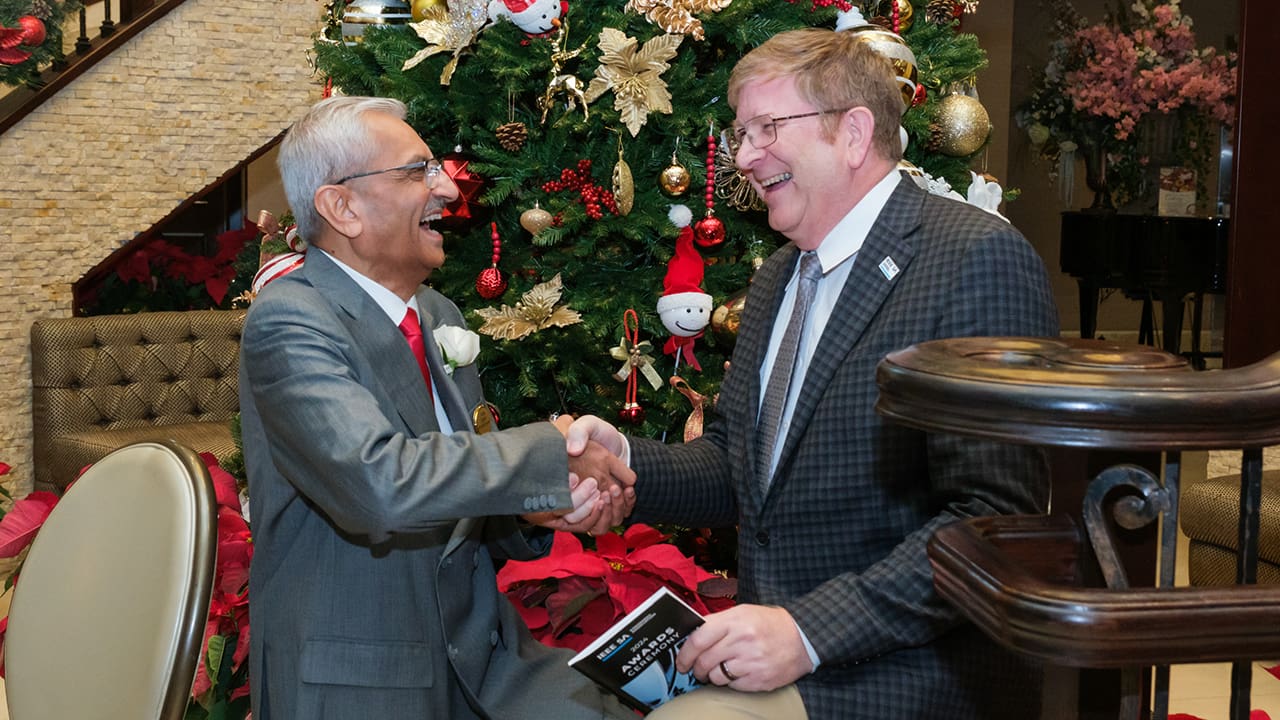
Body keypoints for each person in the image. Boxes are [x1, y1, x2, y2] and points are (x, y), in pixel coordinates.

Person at [567, 28, 1060, 720]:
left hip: (915, 666)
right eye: (740, 134)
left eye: (767, 127)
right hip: (781, 650)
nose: (744, 155)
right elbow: (735, 467)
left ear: (853, 133)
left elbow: (994, 523)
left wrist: (808, 632)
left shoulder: (973, 258)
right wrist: (624, 464)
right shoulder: (779, 278)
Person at [238, 95, 635, 720]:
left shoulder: (438, 314)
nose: (448, 188)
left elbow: (461, 494)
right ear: (341, 207)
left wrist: (543, 512)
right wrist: (549, 452)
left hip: (486, 661)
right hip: (362, 675)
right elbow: (378, 483)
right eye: (417, 170)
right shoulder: (290, 318)